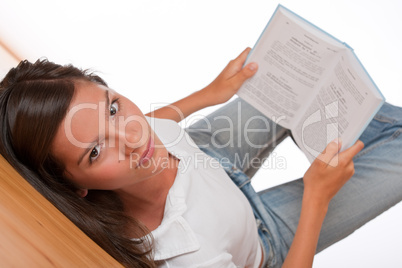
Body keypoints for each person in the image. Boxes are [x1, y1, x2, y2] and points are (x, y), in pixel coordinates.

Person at [0, 48, 401, 268]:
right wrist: (317, 198)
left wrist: (211, 93)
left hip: (207, 153)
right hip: (265, 240)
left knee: (299, 75)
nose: (134, 136)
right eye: (96, 150)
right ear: (76, 185)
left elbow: (159, 121)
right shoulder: (190, 256)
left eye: (112, 107)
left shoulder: (141, 134)